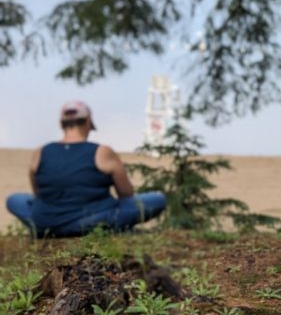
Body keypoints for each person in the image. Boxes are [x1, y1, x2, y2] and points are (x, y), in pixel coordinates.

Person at [5, 101, 166, 238]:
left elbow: (38, 194)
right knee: (157, 199)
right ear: (88, 122)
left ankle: (46, 226)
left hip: (46, 222)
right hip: (93, 221)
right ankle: (101, 226)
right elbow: (126, 194)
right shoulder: (102, 152)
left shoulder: (41, 151)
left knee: (14, 200)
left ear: (61, 124)